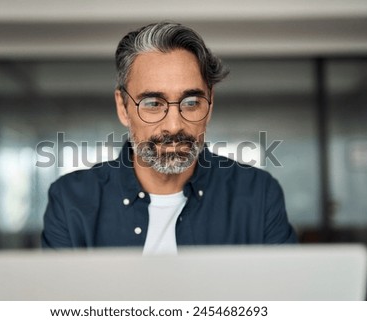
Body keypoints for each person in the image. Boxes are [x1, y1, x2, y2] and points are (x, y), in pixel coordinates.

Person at [41, 22, 297, 253]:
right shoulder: (70, 201)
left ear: (210, 105)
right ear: (123, 108)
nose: (174, 125)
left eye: (191, 102)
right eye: (153, 103)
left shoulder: (259, 195)